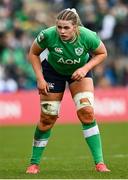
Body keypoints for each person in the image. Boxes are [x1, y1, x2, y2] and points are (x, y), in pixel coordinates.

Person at [26, 8, 110, 174]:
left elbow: (102, 53)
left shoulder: (88, 36)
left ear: (76, 27)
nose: (62, 31)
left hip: (79, 72)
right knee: (47, 118)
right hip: (52, 73)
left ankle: (100, 163)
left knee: (87, 112)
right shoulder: (47, 35)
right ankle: (34, 163)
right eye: (59, 27)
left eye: (66, 28)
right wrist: (40, 78)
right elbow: (33, 53)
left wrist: (85, 68)